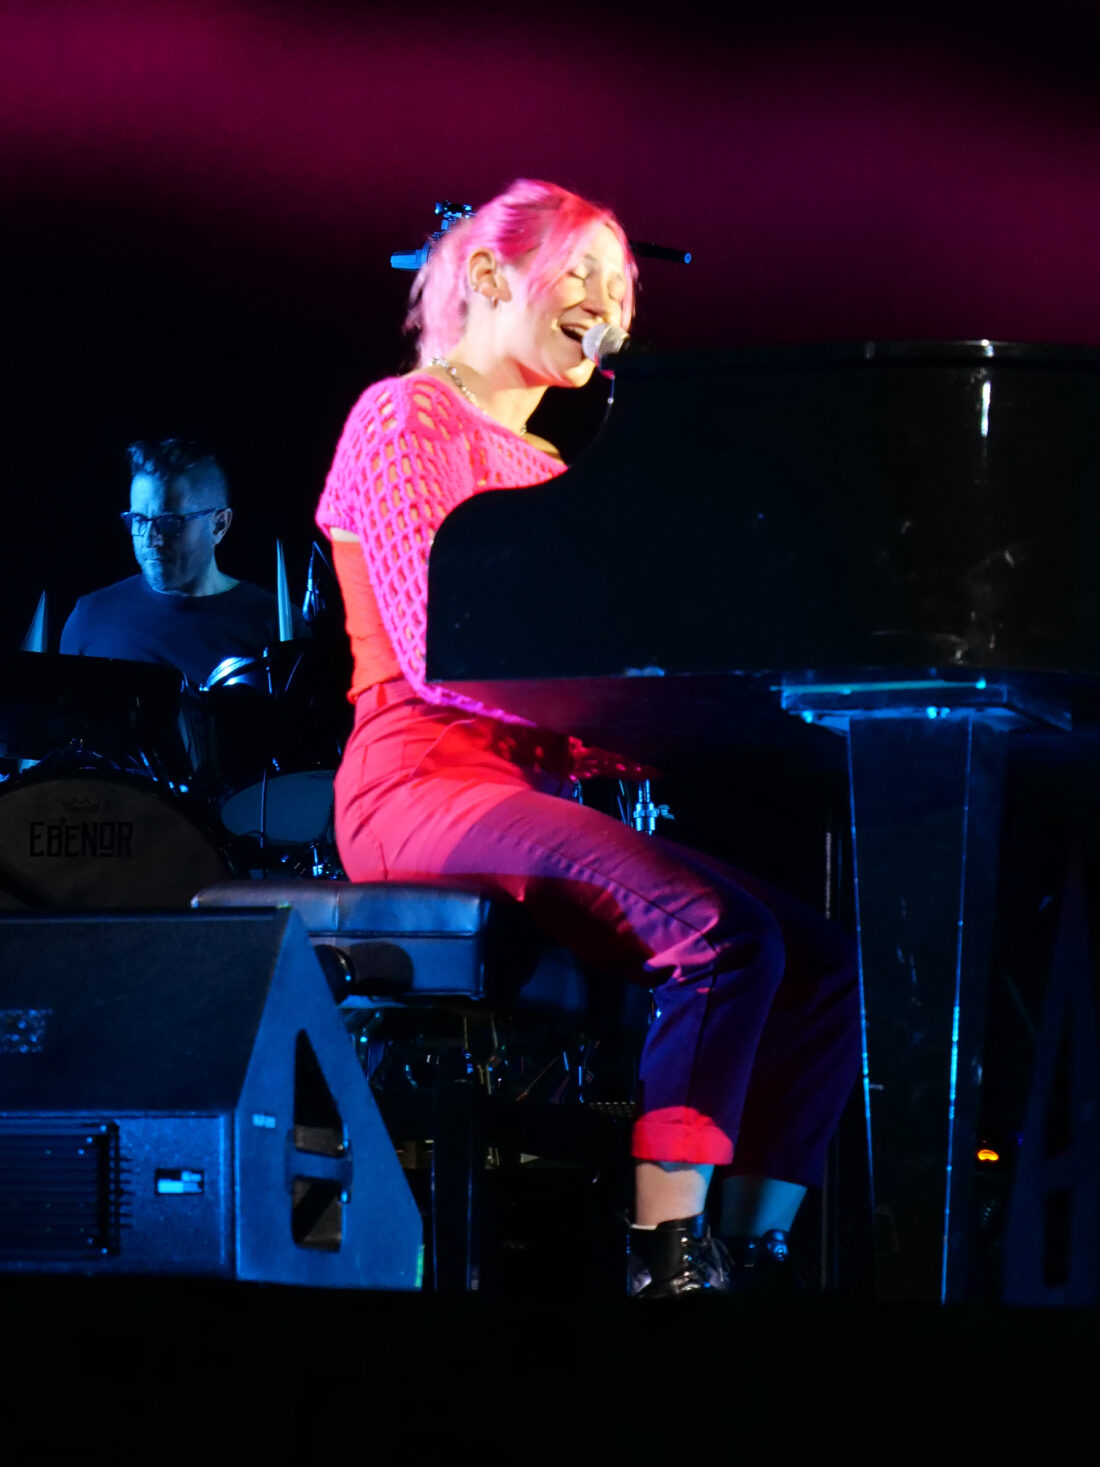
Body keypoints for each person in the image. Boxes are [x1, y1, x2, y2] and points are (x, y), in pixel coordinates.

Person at [316, 178, 861, 1297]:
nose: (607, 303)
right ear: (484, 277)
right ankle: (667, 1255)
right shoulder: (401, 414)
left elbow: (598, 694)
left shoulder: (559, 478)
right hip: (418, 781)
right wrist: (644, 709)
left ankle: (750, 1250)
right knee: (717, 933)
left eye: (621, 286)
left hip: (521, 791)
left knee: (819, 960)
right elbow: (437, 653)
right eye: (580, 272)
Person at [60, 437, 304, 687]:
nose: (150, 540)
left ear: (219, 525)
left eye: (169, 523)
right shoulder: (89, 619)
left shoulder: (278, 626)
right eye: (138, 521)